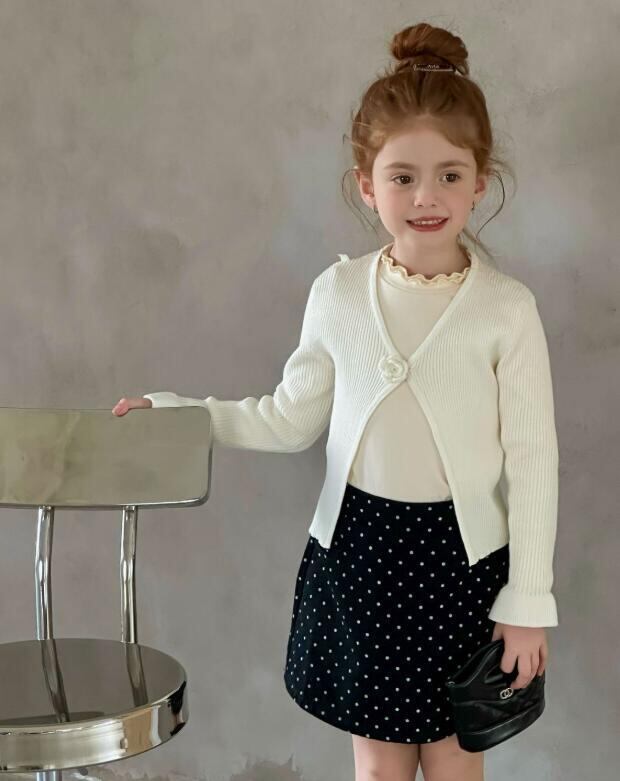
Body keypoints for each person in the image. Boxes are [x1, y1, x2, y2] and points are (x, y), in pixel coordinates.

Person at [112, 21, 560, 781]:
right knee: (379, 770)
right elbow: (287, 419)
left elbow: (533, 462)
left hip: (464, 569)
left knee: (455, 767)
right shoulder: (339, 294)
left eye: (450, 175)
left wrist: (527, 601)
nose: (427, 197)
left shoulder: (506, 310)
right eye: (403, 177)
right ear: (366, 184)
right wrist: (185, 412)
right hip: (361, 561)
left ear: (481, 182)